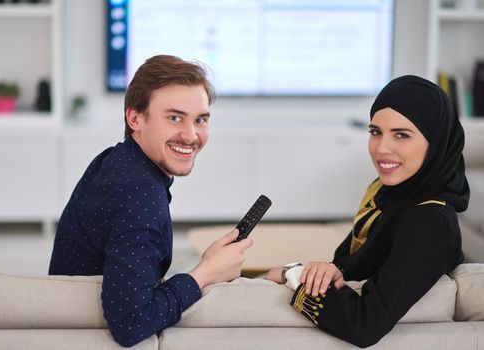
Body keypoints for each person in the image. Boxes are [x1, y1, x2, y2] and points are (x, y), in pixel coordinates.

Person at [49, 55, 253, 347]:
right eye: (174, 117)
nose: (191, 135)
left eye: (200, 120)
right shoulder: (141, 196)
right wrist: (206, 272)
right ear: (135, 118)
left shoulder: (116, 159)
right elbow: (131, 323)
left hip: (64, 316)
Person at [265, 75, 469, 348]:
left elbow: (365, 325)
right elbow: (344, 264)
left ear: (436, 141)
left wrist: (294, 275)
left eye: (401, 135)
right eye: (375, 132)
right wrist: (324, 271)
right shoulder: (389, 194)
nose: (381, 149)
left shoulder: (429, 223)